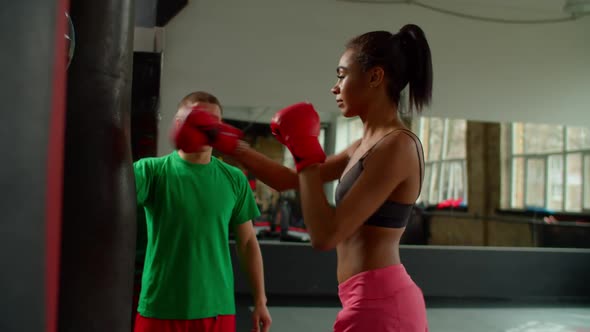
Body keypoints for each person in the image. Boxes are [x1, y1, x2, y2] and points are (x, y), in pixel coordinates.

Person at [175, 24, 432, 331]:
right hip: (365, 299)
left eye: (341, 74)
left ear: (375, 77)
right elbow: (290, 180)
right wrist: (229, 143)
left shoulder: (398, 145)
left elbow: (326, 235)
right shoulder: (365, 145)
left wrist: (306, 152)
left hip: (382, 304)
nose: (334, 87)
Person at [133, 91, 272, 332]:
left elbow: (248, 242)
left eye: (211, 122)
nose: (204, 127)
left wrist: (260, 300)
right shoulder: (151, 171)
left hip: (216, 308)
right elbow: (104, 191)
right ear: (179, 123)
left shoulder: (234, 179)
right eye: (196, 119)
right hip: (160, 305)